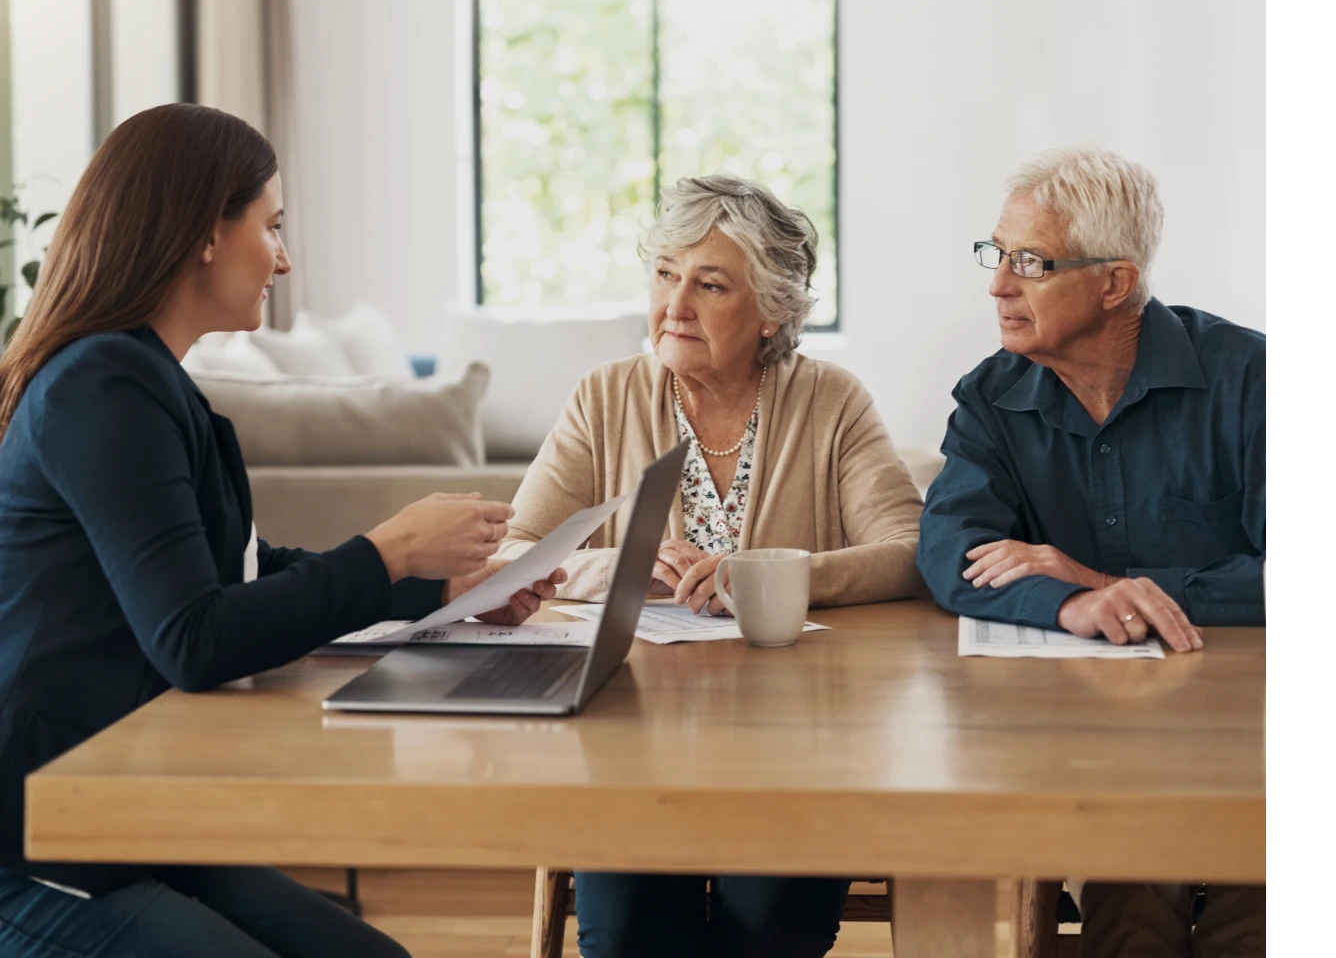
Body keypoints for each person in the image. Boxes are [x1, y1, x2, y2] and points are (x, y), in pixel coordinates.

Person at [0, 103, 565, 958]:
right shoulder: (102, 386)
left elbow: (243, 573)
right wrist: (388, 551)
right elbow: (193, 636)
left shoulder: (144, 380)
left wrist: (441, 591)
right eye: (271, 226)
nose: (286, 257)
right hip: (39, 830)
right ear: (203, 233)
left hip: (124, 814)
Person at [496, 174, 924, 958]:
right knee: (627, 940)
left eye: (709, 284)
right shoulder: (604, 397)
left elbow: (908, 554)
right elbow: (516, 552)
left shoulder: (832, 402)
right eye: (665, 274)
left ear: (772, 314)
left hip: (798, 747)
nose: (675, 304)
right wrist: (622, 569)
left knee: (768, 933)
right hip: (629, 742)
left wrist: (760, 576)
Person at [917, 146, 1265, 958]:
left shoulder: (1257, 378)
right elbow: (949, 550)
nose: (999, 283)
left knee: (1250, 926)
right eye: (995, 254)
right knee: (1129, 918)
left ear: (1114, 283)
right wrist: (1071, 603)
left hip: (1257, 730)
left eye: (1031, 262)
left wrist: (1112, 582)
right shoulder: (991, 397)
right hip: (1097, 738)